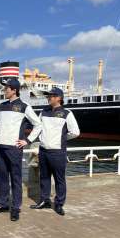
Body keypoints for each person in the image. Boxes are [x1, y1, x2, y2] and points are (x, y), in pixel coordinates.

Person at [0, 78, 41, 221]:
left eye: (6, 89)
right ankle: (2, 204)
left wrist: (27, 140)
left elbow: (38, 124)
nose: (4, 91)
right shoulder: (1, 105)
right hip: (0, 147)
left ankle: (16, 208)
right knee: (2, 177)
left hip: (14, 149)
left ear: (14, 90)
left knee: (16, 179)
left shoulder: (24, 106)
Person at [30, 87, 80, 216]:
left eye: (52, 96)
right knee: (44, 178)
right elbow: (38, 127)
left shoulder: (66, 113)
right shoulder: (43, 112)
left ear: (59, 98)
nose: (49, 97)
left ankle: (58, 204)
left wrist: (62, 138)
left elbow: (75, 132)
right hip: (44, 150)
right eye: (48, 96)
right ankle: (44, 200)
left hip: (58, 152)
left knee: (59, 179)